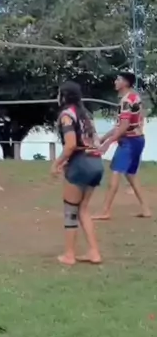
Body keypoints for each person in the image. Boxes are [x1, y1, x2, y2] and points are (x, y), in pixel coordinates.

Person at [51, 81, 103, 266]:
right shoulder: (85, 114)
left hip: (81, 164)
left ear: (64, 96)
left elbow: (71, 144)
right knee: (83, 209)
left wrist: (57, 163)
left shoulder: (66, 115)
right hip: (96, 163)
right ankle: (94, 252)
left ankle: (69, 255)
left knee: (70, 211)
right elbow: (94, 141)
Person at [93, 72, 151, 220]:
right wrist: (104, 138)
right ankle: (145, 209)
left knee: (115, 172)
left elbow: (123, 127)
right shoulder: (134, 97)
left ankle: (105, 211)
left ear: (125, 83)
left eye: (118, 79)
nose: (115, 82)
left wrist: (107, 143)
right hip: (138, 140)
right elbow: (121, 126)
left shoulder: (126, 101)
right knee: (131, 175)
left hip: (129, 142)